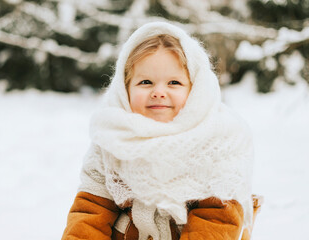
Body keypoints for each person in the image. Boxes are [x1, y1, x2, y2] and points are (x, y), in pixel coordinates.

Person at [61, 21, 261, 240]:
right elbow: (91, 210)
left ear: (195, 89)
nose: (158, 92)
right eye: (145, 82)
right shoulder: (112, 139)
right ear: (124, 87)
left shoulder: (217, 141)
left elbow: (215, 220)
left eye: (173, 82)